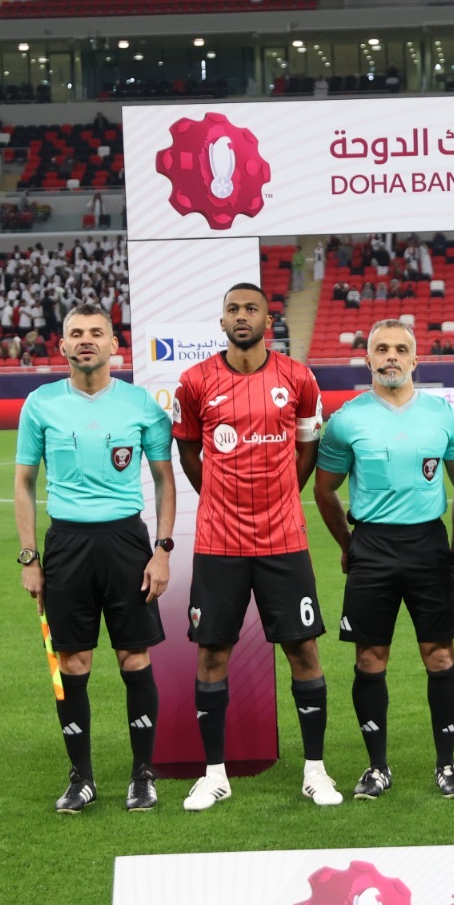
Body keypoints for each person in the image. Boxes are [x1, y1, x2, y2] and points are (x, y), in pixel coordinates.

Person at [172, 283, 343, 812]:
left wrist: (280, 495)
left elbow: (308, 445)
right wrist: (221, 497)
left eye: (251, 309)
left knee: (303, 649)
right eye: (233, 309)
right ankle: (214, 774)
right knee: (212, 651)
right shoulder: (194, 382)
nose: (241, 316)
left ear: (269, 321)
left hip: (283, 538)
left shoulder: (298, 378)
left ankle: (315, 770)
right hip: (218, 541)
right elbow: (189, 451)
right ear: (222, 321)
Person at [13, 304, 177, 814]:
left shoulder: (141, 404)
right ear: (62, 345)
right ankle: (81, 777)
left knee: (135, 658)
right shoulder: (40, 404)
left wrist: (162, 550)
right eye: (76, 333)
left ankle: (142, 775)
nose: (86, 340)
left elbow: (164, 480)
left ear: (113, 345)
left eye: (96, 333)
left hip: (126, 542)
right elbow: (24, 483)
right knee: (73, 662)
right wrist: (29, 558)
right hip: (66, 546)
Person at [313, 319, 454, 799]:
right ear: (367, 359)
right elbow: (324, 490)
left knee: (440, 655)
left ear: (415, 359)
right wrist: (348, 544)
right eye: (381, 349)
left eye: (400, 349)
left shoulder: (446, 418)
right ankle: (376, 767)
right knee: (370, 658)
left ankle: (447, 765)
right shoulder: (346, 420)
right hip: (372, 546)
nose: (391, 357)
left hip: (429, 545)